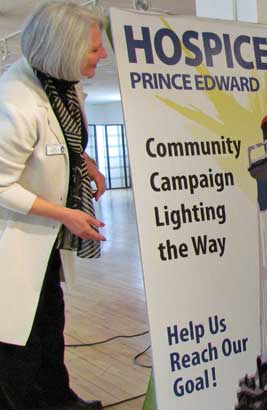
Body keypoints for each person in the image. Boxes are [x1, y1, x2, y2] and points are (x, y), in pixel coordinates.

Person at [0, 2, 108, 409]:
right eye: (95, 49)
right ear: (64, 49)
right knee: (18, 339)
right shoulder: (17, 103)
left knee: (49, 323)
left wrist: (89, 165)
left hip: (44, 243)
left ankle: (59, 399)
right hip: (13, 241)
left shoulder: (64, 86)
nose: (104, 55)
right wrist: (66, 215)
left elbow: (66, 141)